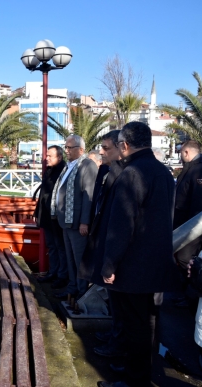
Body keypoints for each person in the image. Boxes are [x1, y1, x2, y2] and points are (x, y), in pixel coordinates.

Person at [94, 122, 181, 387]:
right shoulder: (163, 172)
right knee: (147, 326)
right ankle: (138, 372)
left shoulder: (132, 173)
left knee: (135, 327)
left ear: (125, 145)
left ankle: (134, 380)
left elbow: (122, 225)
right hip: (155, 264)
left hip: (133, 266)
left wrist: (109, 265)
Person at [79, 130, 127, 358]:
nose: (101, 151)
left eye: (106, 148)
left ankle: (117, 347)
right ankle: (113, 335)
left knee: (122, 306)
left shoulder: (126, 174)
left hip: (117, 249)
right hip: (101, 238)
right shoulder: (107, 170)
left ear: (121, 147)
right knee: (115, 303)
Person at [51, 134, 97, 299]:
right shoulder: (69, 166)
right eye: (66, 147)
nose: (67, 150)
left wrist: (85, 221)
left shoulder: (87, 166)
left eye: (70, 148)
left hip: (78, 223)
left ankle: (82, 292)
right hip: (66, 221)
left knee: (80, 260)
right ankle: (72, 287)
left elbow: (88, 195)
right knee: (70, 259)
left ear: (81, 149)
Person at [34, 146, 68, 288]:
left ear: (59, 157)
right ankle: (53, 272)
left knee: (60, 247)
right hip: (47, 216)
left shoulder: (63, 171)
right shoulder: (49, 171)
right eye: (47, 155)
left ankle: (61, 275)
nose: (46, 158)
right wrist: (37, 213)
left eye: (50, 156)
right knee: (52, 246)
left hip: (57, 217)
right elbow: (43, 194)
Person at [174, 140, 202, 309]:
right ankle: (186, 294)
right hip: (184, 224)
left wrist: (192, 228)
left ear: (186, 153)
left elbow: (197, 203)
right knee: (182, 259)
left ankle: (191, 296)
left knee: (186, 259)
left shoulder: (198, 169)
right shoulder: (192, 167)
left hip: (192, 227)